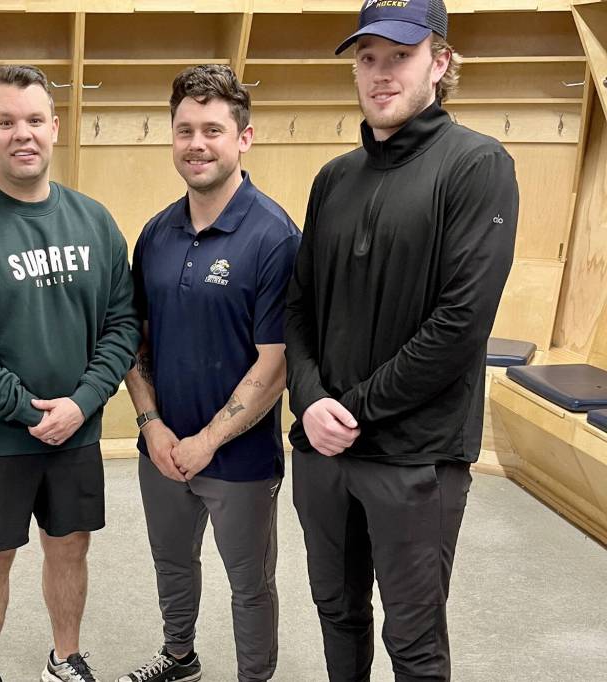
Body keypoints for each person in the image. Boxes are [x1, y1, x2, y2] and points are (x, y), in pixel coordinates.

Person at [285, 1, 518, 680]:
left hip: (416, 459)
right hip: (323, 452)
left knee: (412, 640)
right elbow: (298, 307)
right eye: (367, 58)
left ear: (439, 62)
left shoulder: (477, 166)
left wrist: (349, 410)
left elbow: (459, 325)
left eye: (400, 56)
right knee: (337, 612)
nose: (380, 74)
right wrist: (309, 402)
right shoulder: (334, 179)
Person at [0, 65, 140, 682]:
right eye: (7, 121)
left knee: (70, 548)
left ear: (55, 127)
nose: (24, 134)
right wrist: (25, 409)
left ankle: (64, 658)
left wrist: (82, 403)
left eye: (35, 120)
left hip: (77, 430)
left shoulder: (94, 222)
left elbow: (123, 325)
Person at [117, 64, 300, 682]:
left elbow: (274, 364)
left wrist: (207, 441)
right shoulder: (155, 233)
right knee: (172, 565)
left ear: (244, 138)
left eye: (213, 130)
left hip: (238, 459)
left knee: (250, 585)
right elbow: (131, 341)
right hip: (162, 447)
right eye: (184, 129)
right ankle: (179, 658)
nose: (197, 143)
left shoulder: (274, 236)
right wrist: (151, 425)